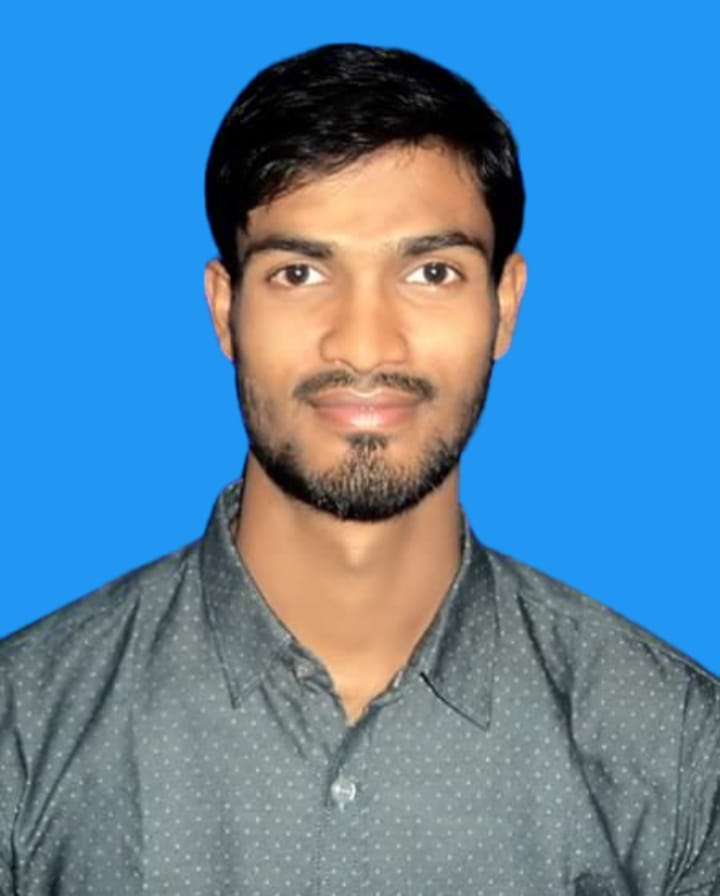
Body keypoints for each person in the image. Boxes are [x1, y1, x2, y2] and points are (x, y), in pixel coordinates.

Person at [0, 42, 718, 896]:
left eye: (431, 272)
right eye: (300, 273)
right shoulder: (22, 728)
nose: (367, 345)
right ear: (225, 310)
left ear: (504, 305)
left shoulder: (677, 747)